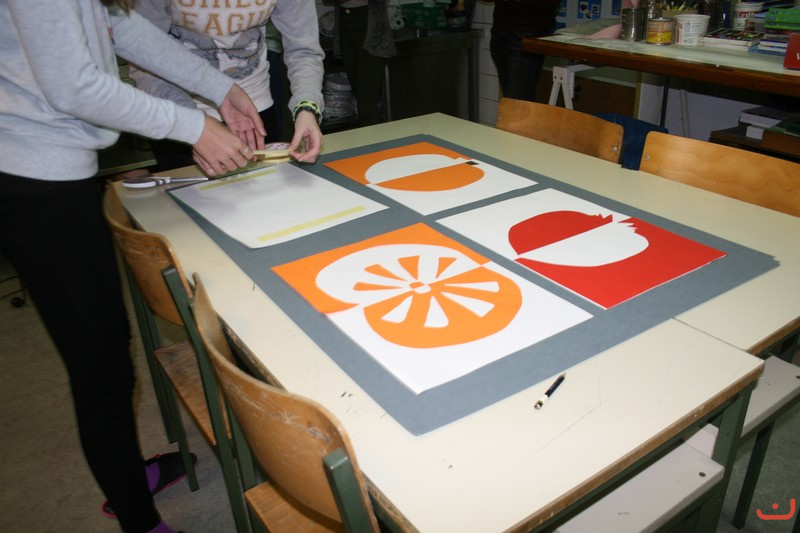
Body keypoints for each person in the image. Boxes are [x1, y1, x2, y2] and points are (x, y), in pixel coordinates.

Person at [0, 1, 264, 532]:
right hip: (30, 176)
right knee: (100, 367)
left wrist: (221, 88)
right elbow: (74, 87)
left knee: (106, 346)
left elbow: (120, 26)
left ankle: (123, 476)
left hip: (55, 167)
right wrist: (194, 126)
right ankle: (137, 518)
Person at [131, 0, 325, 170]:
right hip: (175, 107)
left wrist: (307, 107)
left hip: (252, 110)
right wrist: (193, 125)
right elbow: (144, 60)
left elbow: (304, 51)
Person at [329, 0, 396, 126]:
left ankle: (374, 138)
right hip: (345, 26)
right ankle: (370, 136)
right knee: (361, 99)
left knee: (366, 104)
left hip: (371, 29)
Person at [487, 0, 560, 102]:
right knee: (511, 99)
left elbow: (550, 4)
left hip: (527, 32)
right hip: (501, 31)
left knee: (517, 100)